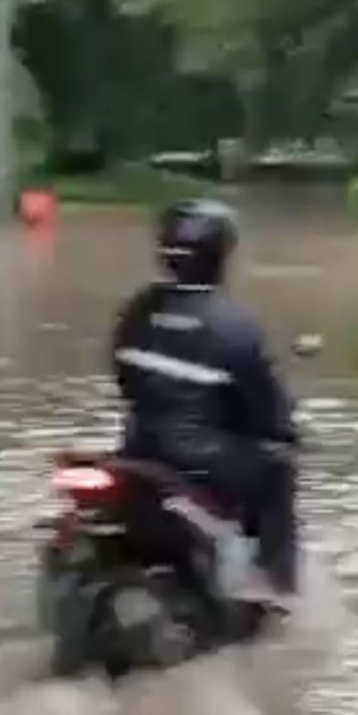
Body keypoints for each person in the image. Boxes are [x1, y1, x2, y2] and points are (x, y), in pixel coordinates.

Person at [111, 198, 300, 607]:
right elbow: (264, 404)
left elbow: (126, 381)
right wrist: (283, 430)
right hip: (203, 460)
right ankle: (275, 588)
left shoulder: (137, 310)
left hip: (138, 449)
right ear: (221, 255)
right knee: (279, 470)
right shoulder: (235, 324)